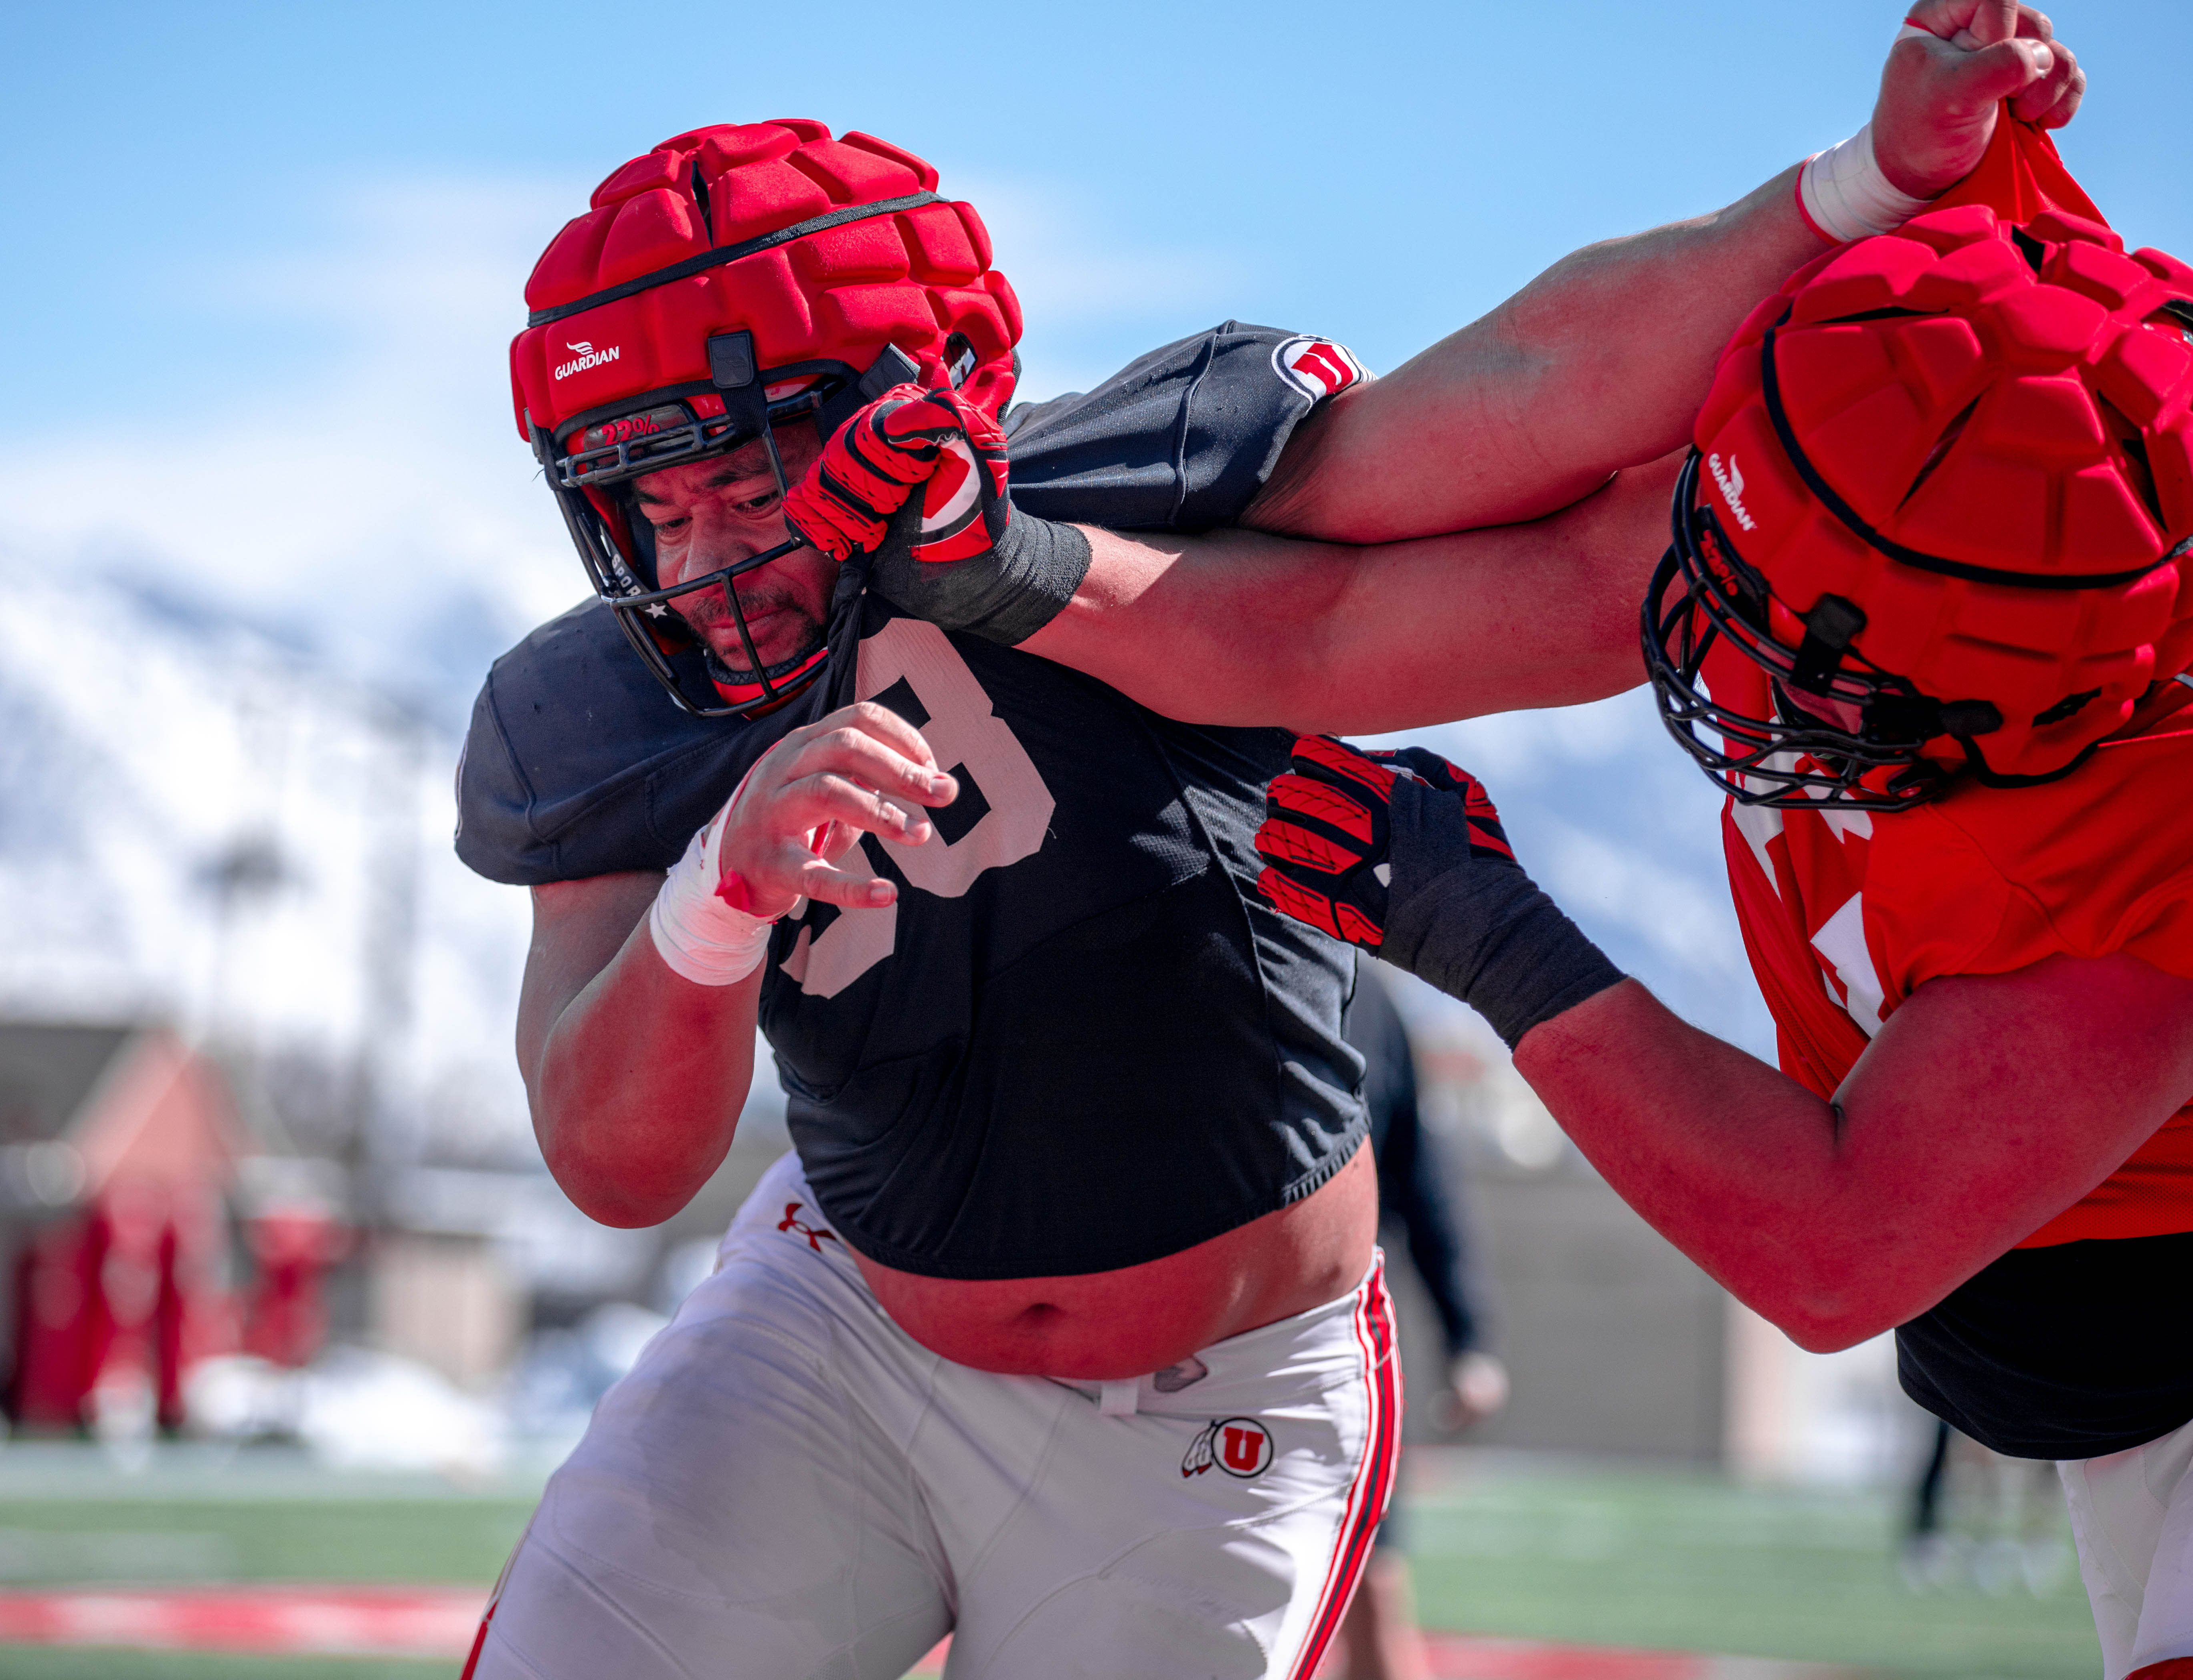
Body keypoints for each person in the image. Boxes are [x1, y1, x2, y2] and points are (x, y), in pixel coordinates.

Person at [451, 21, 2078, 1671]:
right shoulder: (592, 711)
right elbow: (614, 1162)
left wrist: (1871, 192)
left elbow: (1537, 404)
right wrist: (716, 897)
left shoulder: (1128, 488)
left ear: (912, 390)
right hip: (847, 1315)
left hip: (1217, 1393)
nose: (706, 550)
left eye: (746, 478)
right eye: (653, 501)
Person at [1236, 190, 2193, 1680]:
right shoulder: (1987, 449)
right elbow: (2034, 312)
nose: (1773, 649)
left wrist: (1497, 941)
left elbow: (1833, 1253)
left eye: (1845, 629)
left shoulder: (2135, 826)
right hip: (2107, 1405)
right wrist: (1881, 161)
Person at [1323, 981, 1508, 1680]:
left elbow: (1425, 1181)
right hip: (1204, 1344)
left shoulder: (1367, 999)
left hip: (1342, 1347)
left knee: (1374, 1581)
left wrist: (1470, 1338)